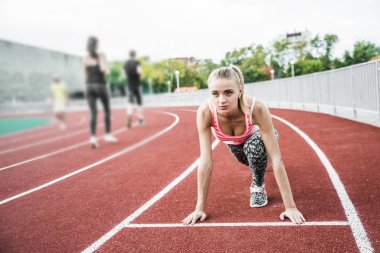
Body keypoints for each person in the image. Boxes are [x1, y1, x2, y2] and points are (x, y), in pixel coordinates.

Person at [182, 65, 306, 225]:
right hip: (235, 145)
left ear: (240, 90)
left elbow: (276, 158)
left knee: (254, 148)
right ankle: (258, 164)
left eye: (228, 92)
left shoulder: (257, 108)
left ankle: (258, 185)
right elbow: (206, 162)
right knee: (251, 159)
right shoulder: (205, 112)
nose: (221, 100)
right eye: (215, 94)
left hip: (258, 138)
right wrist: (199, 208)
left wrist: (290, 206)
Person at [83, 36, 118, 148]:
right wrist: (107, 70)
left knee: (93, 113)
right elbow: (104, 69)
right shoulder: (101, 55)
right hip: (100, 84)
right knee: (107, 110)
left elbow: (84, 74)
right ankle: (107, 135)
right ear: (96, 44)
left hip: (89, 86)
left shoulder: (85, 57)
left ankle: (93, 138)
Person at [124, 50, 144, 127]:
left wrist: (129, 76)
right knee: (139, 102)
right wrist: (139, 75)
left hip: (129, 85)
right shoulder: (137, 62)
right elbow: (140, 72)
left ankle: (129, 117)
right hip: (137, 84)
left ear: (129, 55)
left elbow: (124, 74)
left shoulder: (126, 64)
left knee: (130, 102)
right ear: (135, 55)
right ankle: (140, 119)